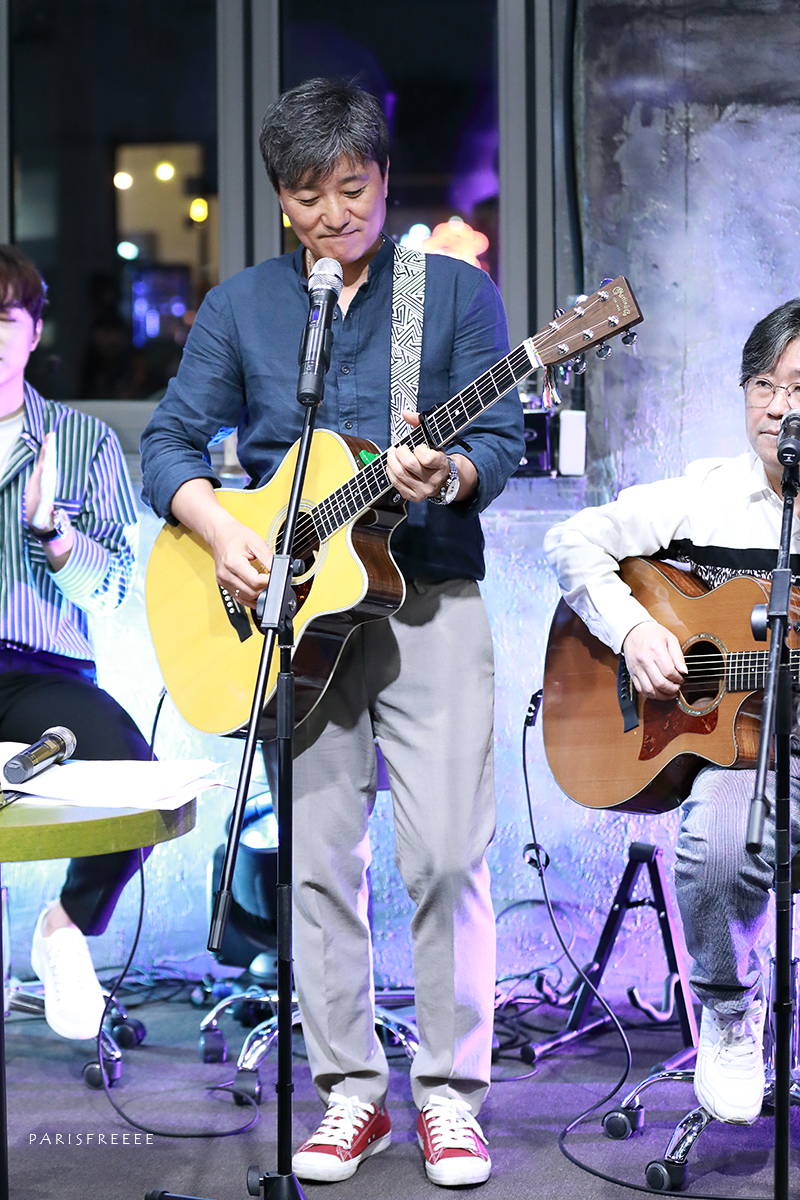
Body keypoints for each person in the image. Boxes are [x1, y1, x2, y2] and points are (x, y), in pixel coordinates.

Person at [140, 78, 524, 1186]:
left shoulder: (450, 293)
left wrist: (449, 471)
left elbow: (496, 440)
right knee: (315, 868)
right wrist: (220, 529)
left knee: (445, 859)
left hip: (426, 598)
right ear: (279, 199)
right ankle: (350, 1095)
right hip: (292, 619)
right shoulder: (244, 307)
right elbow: (169, 442)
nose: (332, 216)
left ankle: (449, 1099)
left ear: (384, 180)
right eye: (308, 197)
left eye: (351, 190)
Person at [543, 298, 800, 1125]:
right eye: (763, 386)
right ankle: (728, 1013)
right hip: (742, 757)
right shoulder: (706, 495)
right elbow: (571, 542)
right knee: (716, 844)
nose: (779, 407)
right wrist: (633, 632)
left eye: (798, 388)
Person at [0, 244, 150, 1041]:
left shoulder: (83, 441)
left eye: (4, 318)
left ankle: (64, 928)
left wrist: (54, 535)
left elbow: (117, 590)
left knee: (137, 777)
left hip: (42, 674)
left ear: (33, 331)